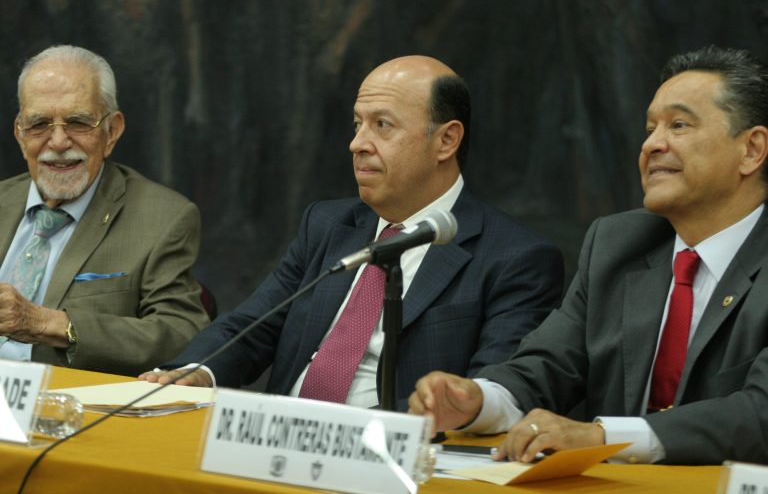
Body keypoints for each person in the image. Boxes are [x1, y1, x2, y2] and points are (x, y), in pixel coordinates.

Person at [409, 45, 768, 465]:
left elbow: (758, 413)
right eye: (649, 128)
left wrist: (601, 436)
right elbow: (548, 365)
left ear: (752, 149)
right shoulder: (619, 243)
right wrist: (477, 401)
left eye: (679, 125)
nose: (652, 144)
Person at [142, 55, 564, 411]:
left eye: (382, 125)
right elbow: (254, 325)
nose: (357, 143)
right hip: (275, 442)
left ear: (446, 140)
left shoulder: (515, 258)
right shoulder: (328, 226)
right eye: (357, 124)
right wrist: (196, 371)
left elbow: (492, 392)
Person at [0, 45, 209, 375]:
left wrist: (50, 324)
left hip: (62, 411)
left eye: (78, 122)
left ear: (112, 131)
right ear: (20, 134)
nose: (57, 142)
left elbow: (182, 333)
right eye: (39, 124)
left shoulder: (163, 218)